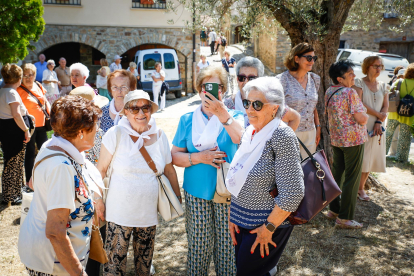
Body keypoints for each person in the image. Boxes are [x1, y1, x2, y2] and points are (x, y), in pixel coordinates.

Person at [95, 90, 181, 276]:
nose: (141, 113)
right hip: (119, 214)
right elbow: (100, 170)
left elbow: (168, 170)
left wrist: (177, 199)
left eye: (145, 107)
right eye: (135, 108)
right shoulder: (115, 134)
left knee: (144, 265)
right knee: (114, 267)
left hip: (147, 214)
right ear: (125, 111)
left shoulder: (160, 136)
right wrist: (98, 199)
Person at [226, 77, 305, 276]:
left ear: (274, 108)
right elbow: (241, 177)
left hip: (265, 226)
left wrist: (268, 227)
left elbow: (293, 193)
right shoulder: (251, 132)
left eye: (257, 104)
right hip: (242, 222)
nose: (249, 109)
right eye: (247, 103)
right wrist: (233, 214)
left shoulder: (281, 136)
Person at [171, 65, 244, 276]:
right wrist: (199, 157)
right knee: (199, 247)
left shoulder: (235, 116)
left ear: (223, 90)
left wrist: (222, 114)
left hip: (227, 194)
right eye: (206, 86)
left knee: (227, 247)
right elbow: (175, 156)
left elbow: (240, 138)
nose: (211, 91)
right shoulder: (187, 120)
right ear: (200, 89)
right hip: (196, 192)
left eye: (217, 86)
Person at [18, 95, 103, 276]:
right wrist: (79, 273)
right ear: (81, 132)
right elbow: (56, 232)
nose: (98, 129)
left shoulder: (53, 144)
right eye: (95, 125)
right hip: (54, 264)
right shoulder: (62, 167)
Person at [324, 60, 368, 229]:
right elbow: (361, 118)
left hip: (336, 140)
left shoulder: (329, 91)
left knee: (337, 174)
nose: (354, 76)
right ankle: (345, 218)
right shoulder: (349, 93)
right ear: (340, 79)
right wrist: (366, 115)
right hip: (353, 140)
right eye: (350, 74)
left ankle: (333, 210)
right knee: (352, 177)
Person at [224, 56, 301, 130]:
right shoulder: (228, 104)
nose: (246, 82)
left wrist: (280, 142)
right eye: (241, 77)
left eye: (251, 78)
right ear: (237, 79)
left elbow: (295, 118)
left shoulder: (269, 102)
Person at [352, 56, 389, 201]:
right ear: (367, 67)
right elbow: (359, 104)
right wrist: (378, 114)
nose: (379, 69)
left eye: (380, 66)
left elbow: (386, 105)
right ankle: (352, 187)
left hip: (377, 126)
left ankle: (361, 189)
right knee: (361, 156)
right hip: (362, 124)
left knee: (371, 157)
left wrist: (379, 120)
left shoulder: (384, 85)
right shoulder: (359, 83)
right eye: (375, 66)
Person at [276, 42, 321, 158]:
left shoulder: (315, 79)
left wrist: (318, 126)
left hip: (310, 132)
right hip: (289, 131)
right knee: (292, 171)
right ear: (296, 59)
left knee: (308, 170)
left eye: (314, 58)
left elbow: (313, 106)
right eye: (309, 58)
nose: (312, 61)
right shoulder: (281, 80)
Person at [0, 64, 30, 206]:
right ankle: (10, 195)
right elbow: (16, 115)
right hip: (13, 132)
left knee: (14, 163)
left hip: (9, 131)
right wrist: (26, 130)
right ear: (18, 78)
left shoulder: (3, 90)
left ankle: (15, 191)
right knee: (13, 164)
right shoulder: (11, 92)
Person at [17, 63, 50, 188]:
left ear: (34, 75)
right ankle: (29, 182)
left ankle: (44, 179)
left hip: (42, 125)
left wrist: (51, 114)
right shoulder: (18, 89)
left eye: (30, 75)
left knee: (44, 151)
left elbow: (45, 101)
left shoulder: (38, 85)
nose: (27, 78)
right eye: (24, 75)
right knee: (30, 154)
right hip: (28, 128)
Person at [385, 63, 414, 163]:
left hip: (394, 112)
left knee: (388, 134)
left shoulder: (399, 81)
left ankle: (381, 153)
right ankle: (401, 159)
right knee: (405, 137)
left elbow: (390, 92)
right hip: (409, 115)